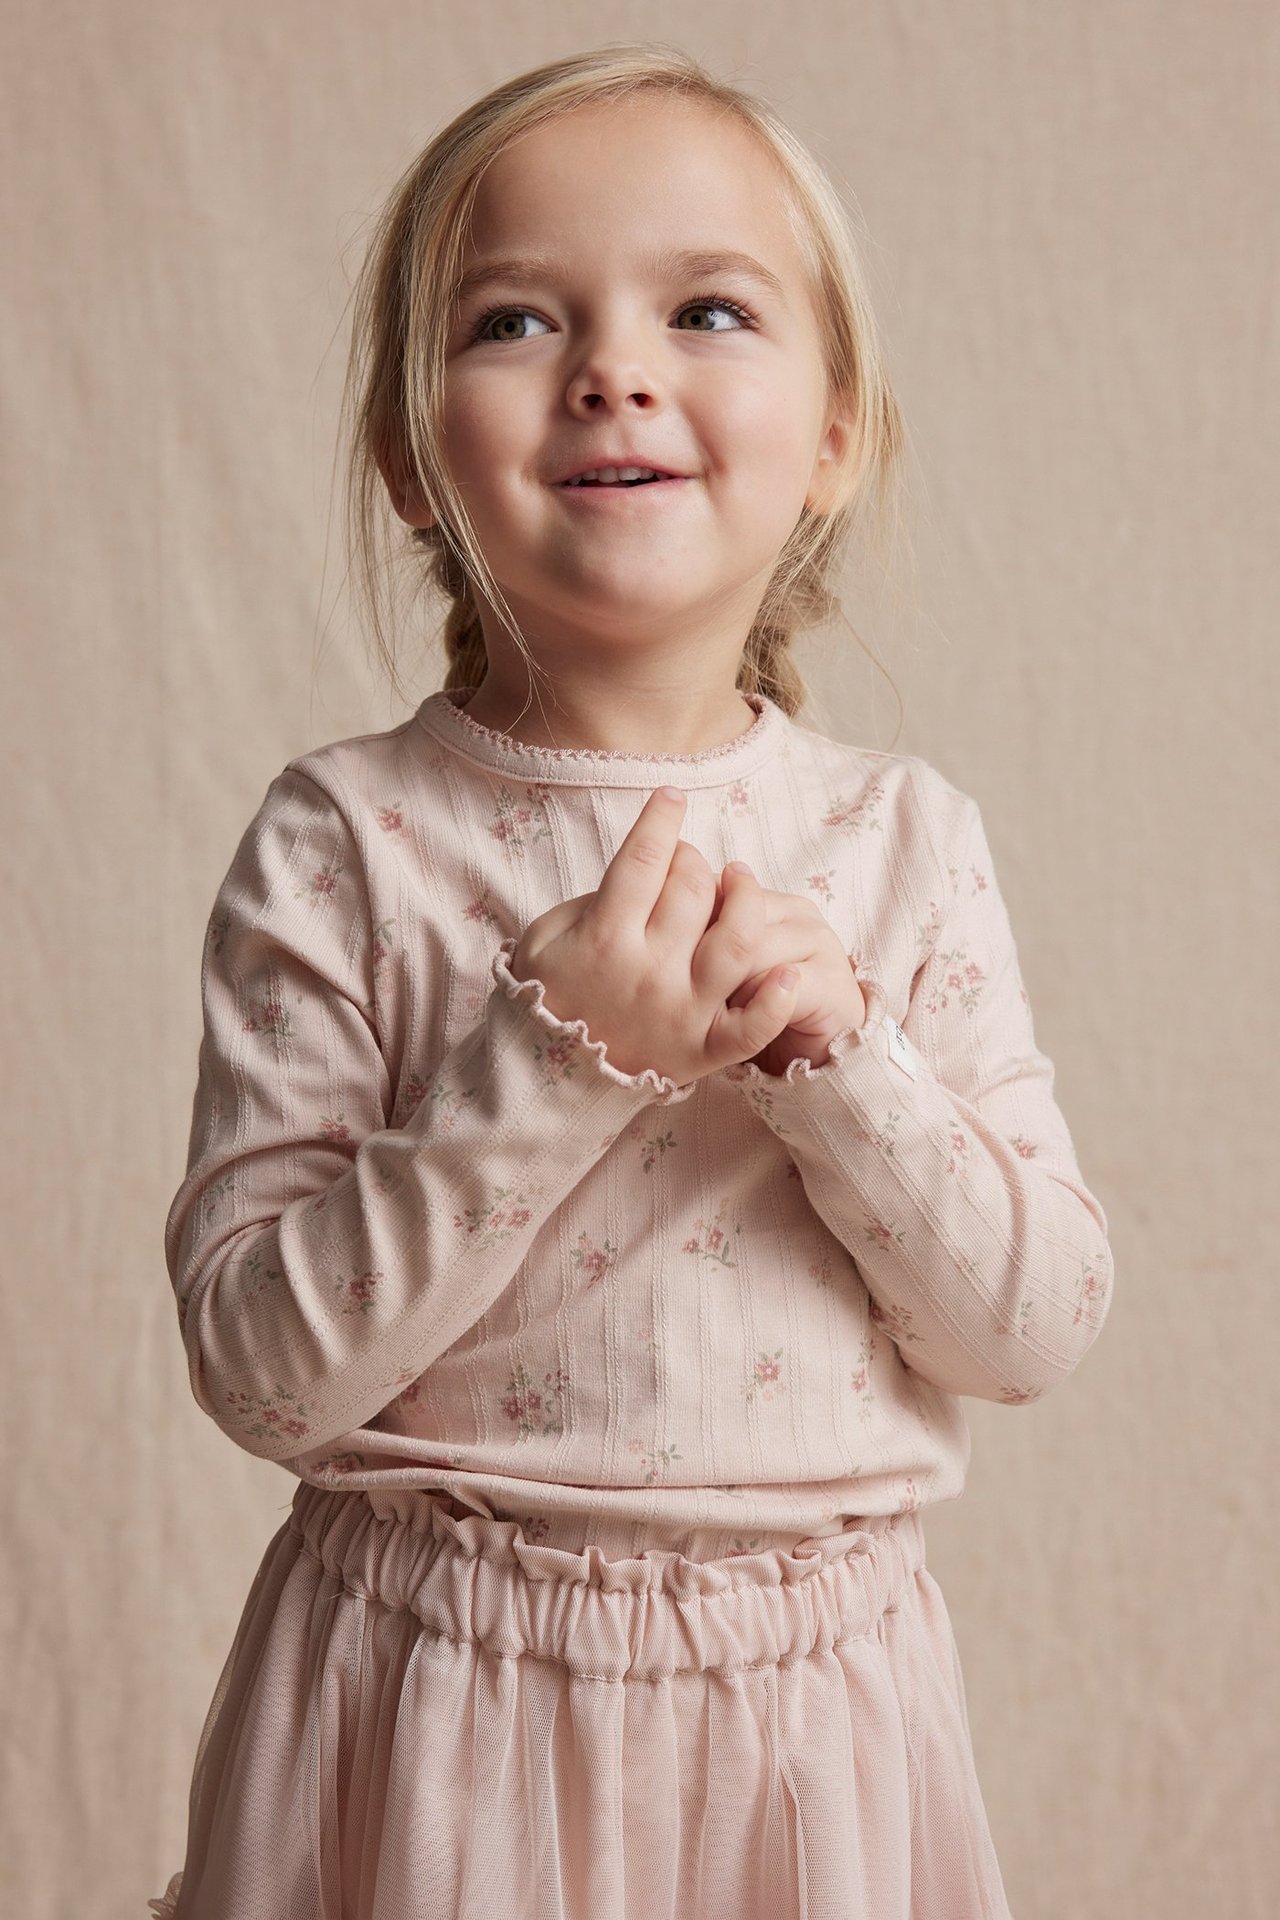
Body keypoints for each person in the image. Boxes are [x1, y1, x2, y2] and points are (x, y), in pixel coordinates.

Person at [149, 41, 1113, 1920]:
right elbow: (263, 1373)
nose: (615, 366)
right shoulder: (342, 842)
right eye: (514, 317)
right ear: (407, 454)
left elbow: (1034, 1325)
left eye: (710, 307)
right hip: (426, 1705)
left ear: (837, 434)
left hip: (812, 1734)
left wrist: (842, 1062)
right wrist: (561, 1049)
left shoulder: (903, 843)